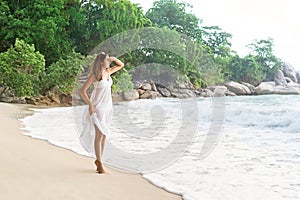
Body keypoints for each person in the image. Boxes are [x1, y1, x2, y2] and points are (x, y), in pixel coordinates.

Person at [79, 52, 124, 174]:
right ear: (100, 61)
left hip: (108, 107)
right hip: (98, 107)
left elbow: (121, 65)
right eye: (107, 59)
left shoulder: (108, 72)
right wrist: (90, 105)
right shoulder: (95, 75)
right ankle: (99, 163)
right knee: (99, 136)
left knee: (104, 135)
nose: (109, 61)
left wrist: (113, 58)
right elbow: (82, 91)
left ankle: (99, 161)